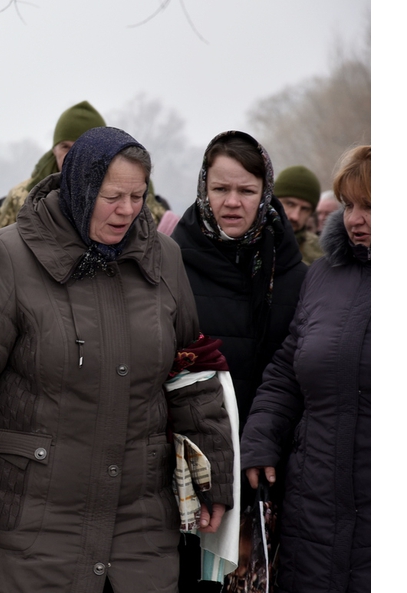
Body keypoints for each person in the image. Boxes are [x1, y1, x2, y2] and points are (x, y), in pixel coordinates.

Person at [0, 127, 234, 593]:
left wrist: (213, 477)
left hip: (138, 527)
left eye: (137, 196)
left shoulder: (164, 260)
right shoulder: (11, 256)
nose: (127, 210)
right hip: (26, 522)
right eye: (112, 196)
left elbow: (191, 375)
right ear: (80, 188)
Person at [170, 131, 308, 591]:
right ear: (202, 189)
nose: (233, 202)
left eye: (246, 190)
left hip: (268, 470)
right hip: (186, 473)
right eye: (220, 189)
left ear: (264, 193)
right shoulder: (170, 263)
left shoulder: (291, 270)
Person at [241, 145, 370, 593]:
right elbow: (286, 371)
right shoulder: (323, 276)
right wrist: (259, 439)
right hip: (312, 511)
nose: (356, 219)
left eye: (371, 206)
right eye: (350, 205)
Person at [0, 100, 107, 233]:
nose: (72, 156)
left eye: (83, 148)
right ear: (54, 150)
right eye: (65, 147)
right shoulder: (22, 196)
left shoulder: (121, 195)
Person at [274, 165, 324, 265]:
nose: (295, 216)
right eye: (290, 204)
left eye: (305, 209)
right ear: (273, 201)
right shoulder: (247, 240)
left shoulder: (320, 254)